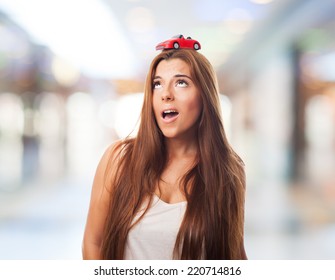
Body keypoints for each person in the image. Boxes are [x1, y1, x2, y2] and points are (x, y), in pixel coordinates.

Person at [82, 44, 247, 260]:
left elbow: (234, 254)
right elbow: (93, 243)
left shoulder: (228, 170)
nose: (166, 94)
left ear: (204, 96)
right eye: (157, 84)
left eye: (181, 83)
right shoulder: (118, 159)